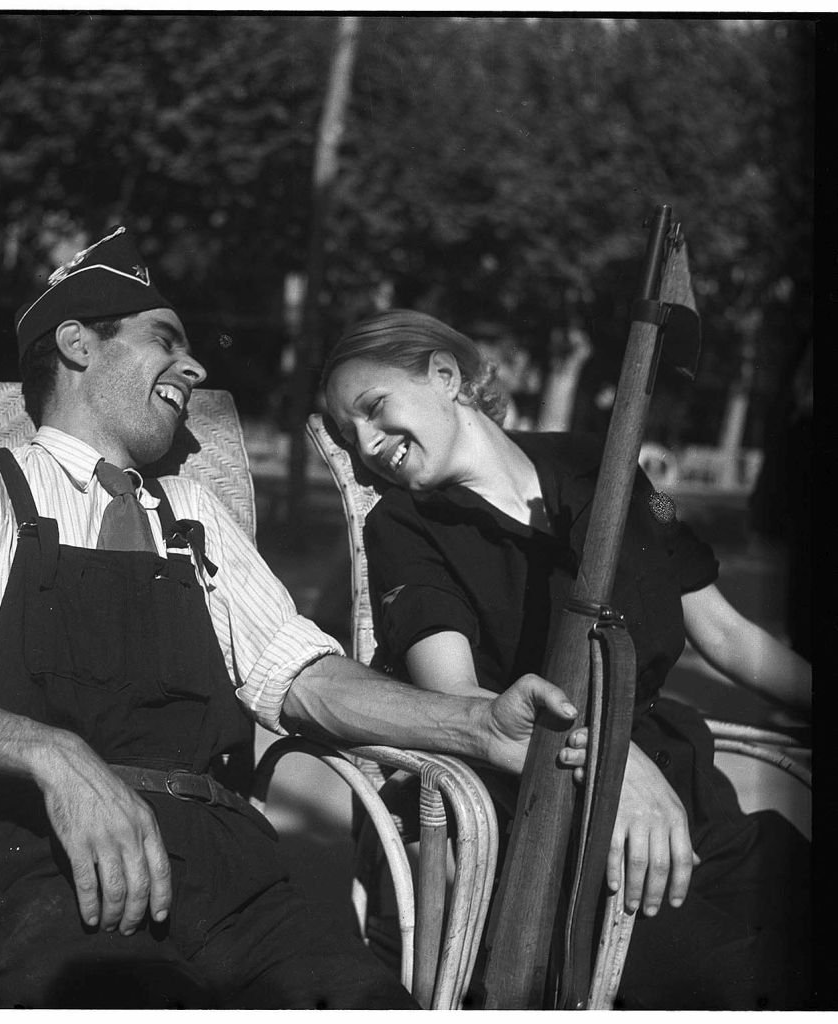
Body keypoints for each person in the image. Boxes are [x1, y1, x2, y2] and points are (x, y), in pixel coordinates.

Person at [0, 230, 586, 1010]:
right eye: (166, 340)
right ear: (75, 344)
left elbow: (304, 679)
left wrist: (474, 725)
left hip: (233, 874)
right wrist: (54, 755)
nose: (196, 368)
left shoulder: (192, 511)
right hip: (42, 858)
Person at [321, 309, 813, 1010]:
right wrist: (611, 763)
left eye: (373, 410)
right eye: (349, 434)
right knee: (737, 983)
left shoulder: (596, 461)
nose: (367, 444)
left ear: (443, 375)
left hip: (692, 798)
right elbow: (461, 701)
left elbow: (727, 636)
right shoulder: (403, 525)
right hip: (551, 822)